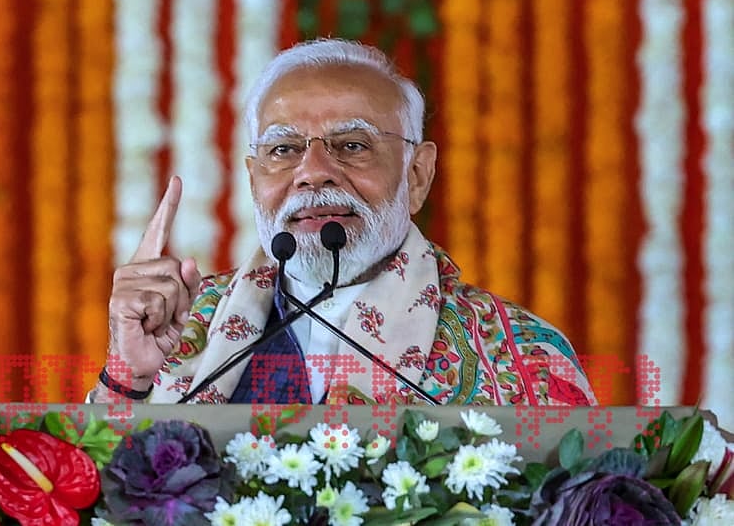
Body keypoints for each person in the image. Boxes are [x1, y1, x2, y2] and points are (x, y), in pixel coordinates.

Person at [90, 38, 596, 406]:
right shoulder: (184, 327)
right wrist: (127, 379)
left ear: (417, 174)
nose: (312, 172)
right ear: (253, 179)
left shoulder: (522, 355)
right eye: (283, 149)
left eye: (352, 146)